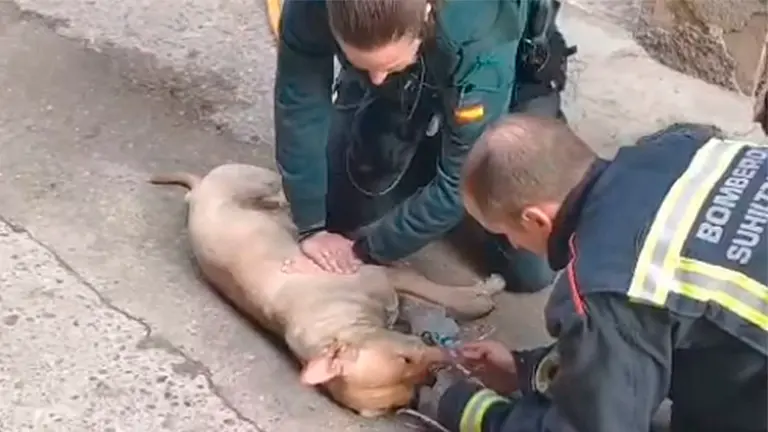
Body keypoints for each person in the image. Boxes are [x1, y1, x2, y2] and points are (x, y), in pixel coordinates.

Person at [416, 114, 768, 432]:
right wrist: (531, 369)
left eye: (505, 233)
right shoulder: (680, 146)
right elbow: (635, 331)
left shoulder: (608, 284)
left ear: (535, 219)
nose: (514, 246)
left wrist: (472, 411)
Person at [274, 0, 577, 292]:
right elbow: (300, 105)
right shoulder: (312, 6)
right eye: (361, 63)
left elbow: (460, 176)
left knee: (531, 272)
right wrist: (311, 225)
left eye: (388, 64)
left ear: (426, 15)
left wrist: (368, 249)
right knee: (340, 215)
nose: (376, 79)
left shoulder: (480, 30)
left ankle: (449, 168)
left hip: (505, 75)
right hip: (409, 79)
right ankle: (422, 156)